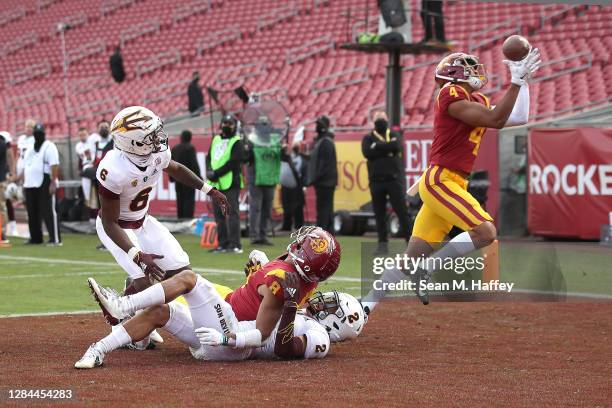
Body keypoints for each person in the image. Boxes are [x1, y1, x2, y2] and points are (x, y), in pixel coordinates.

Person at [361, 49, 541, 311]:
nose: (475, 71)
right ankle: (427, 269)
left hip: (453, 182)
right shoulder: (450, 93)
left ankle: (365, 305)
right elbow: (497, 119)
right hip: (441, 181)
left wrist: (522, 83)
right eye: (468, 67)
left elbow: (518, 117)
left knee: (410, 259)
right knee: (485, 231)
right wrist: (514, 82)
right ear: (454, 75)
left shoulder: (473, 98)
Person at [76, 227, 342, 367]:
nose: (299, 241)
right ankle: (97, 351)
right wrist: (255, 275)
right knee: (159, 311)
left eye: (304, 244)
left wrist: (226, 338)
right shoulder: (295, 277)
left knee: (189, 279)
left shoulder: (283, 284)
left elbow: (261, 334)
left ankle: (123, 305)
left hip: (230, 337)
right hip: (220, 326)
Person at [91, 106, 229, 346]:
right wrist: (137, 254)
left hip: (144, 221)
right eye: (150, 135)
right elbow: (109, 221)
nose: (157, 138)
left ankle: (125, 304)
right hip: (118, 229)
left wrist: (209, 190)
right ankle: (126, 329)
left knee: (184, 273)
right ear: (133, 142)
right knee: (147, 282)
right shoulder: (112, 169)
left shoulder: (156, 152)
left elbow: (175, 168)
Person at [361, 111, 411, 254]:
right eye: (378, 119)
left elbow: (396, 147)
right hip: (376, 182)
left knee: (402, 212)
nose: (380, 121)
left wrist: (376, 146)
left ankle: (410, 244)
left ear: (387, 120)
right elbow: (367, 153)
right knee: (379, 214)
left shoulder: (394, 134)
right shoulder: (368, 138)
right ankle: (382, 245)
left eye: (382, 118)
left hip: (394, 180)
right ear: (373, 122)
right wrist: (387, 149)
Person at [206, 114, 244, 253]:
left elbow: (233, 162)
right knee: (218, 215)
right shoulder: (215, 139)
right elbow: (209, 157)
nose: (227, 126)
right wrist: (209, 171)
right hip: (215, 183)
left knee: (232, 214)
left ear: (235, 126)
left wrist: (216, 173)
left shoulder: (237, 142)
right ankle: (223, 243)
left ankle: (235, 244)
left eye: (230, 123)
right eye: (225, 123)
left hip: (230, 182)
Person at [21, 124, 61, 245]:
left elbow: (54, 164)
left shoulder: (49, 146)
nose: (38, 135)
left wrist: (53, 182)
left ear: (44, 134)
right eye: (36, 132)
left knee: (48, 210)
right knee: (32, 212)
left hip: (45, 180)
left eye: (40, 133)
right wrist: (24, 183)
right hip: (30, 183)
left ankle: (55, 238)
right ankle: (35, 238)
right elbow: (25, 166)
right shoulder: (29, 148)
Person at [246, 115, 283, 246]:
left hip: (269, 178)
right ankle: (255, 236)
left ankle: (262, 235)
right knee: (256, 208)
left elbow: (281, 156)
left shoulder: (275, 140)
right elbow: (248, 158)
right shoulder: (252, 140)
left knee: (266, 209)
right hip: (256, 178)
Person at [307, 116, 337, 232]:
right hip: (325, 181)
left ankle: (322, 233)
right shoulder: (323, 141)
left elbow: (325, 165)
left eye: (319, 124)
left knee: (324, 209)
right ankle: (327, 233)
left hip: (325, 182)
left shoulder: (326, 142)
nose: (317, 127)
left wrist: (315, 178)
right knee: (326, 209)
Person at [170, 130, 201, 219]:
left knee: (180, 199)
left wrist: (172, 178)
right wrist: (198, 178)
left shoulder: (175, 148)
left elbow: (170, 164)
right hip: (189, 179)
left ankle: (180, 219)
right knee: (189, 200)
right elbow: (194, 164)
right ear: (190, 138)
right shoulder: (190, 148)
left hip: (177, 179)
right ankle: (187, 220)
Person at [280, 140, 306, 231]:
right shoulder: (289, 157)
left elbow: (302, 170)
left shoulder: (302, 158)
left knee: (297, 206)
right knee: (286, 205)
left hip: (297, 184)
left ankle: (299, 225)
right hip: (287, 183)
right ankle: (286, 225)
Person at [0, 131, 16, 244]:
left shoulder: (2, 141)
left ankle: (2, 233)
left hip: (1, 178)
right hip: (2, 177)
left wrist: (12, 173)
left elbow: (10, 155)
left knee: (2, 206)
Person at [75, 126, 95, 210]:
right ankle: (91, 215)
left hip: (95, 166)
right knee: (87, 193)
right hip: (85, 168)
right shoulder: (78, 146)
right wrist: (79, 169)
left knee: (97, 193)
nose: (82, 136)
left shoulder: (93, 140)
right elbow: (80, 159)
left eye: (84, 134)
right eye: (80, 135)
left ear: (88, 134)